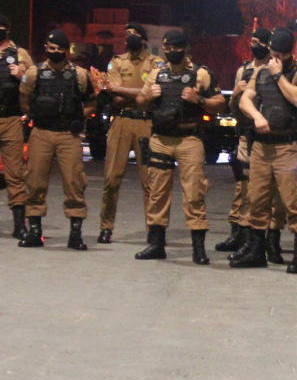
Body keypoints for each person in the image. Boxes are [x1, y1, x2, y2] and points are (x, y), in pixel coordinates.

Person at [133, 29, 226, 264]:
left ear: (186, 49)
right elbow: (140, 102)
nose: (171, 52)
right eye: (167, 49)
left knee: (194, 192)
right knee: (157, 192)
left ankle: (198, 248)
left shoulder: (200, 74)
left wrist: (200, 100)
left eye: (176, 48)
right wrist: (149, 97)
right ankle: (156, 244)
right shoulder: (156, 74)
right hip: (161, 140)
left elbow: (221, 104)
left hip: (189, 140)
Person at [232, 29, 297, 273]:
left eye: (280, 54)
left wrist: (279, 76)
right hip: (261, 146)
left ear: (291, 52)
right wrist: (257, 116)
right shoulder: (260, 72)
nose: (275, 58)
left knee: (294, 201)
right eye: (273, 54)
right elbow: (245, 99)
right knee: (256, 199)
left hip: (288, 146)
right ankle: (256, 250)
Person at [18, 28, 96, 250]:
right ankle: (34, 232)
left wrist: (76, 117)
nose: (55, 52)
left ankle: (75, 234)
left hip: (67, 135)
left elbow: (91, 104)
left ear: (66, 50)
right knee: (34, 181)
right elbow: (24, 99)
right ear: (46, 48)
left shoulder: (79, 76)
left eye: (59, 49)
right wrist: (36, 114)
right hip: (41, 133)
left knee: (74, 182)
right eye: (51, 48)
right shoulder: (34, 74)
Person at [97, 22, 164, 244]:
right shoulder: (116, 62)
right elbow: (114, 97)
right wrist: (142, 93)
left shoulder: (156, 63)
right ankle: (106, 227)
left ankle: (152, 230)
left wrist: (121, 90)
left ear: (144, 40)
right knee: (111, 178)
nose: (129, 38)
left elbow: (156, 93)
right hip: (122, 121)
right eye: (126, 35)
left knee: (149, 181)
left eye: (134, 35)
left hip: (147, 124)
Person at [215, 27, 271, 256]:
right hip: (245, 134)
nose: (254, 45)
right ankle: (237, 232)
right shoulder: (243, 71)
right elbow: (232, 109)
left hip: (266, 136)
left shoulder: (274, 70)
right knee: (242, 187)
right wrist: (237, 94)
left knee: (261, 190)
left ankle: (259, 237)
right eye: (253, 41)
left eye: (259, 42)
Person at [0, 12, 33, 239]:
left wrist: (21, 75)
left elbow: (34, 82)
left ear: (7, 29)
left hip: (11, 118)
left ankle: (19, 223)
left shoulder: (20, 54)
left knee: (14, 173)